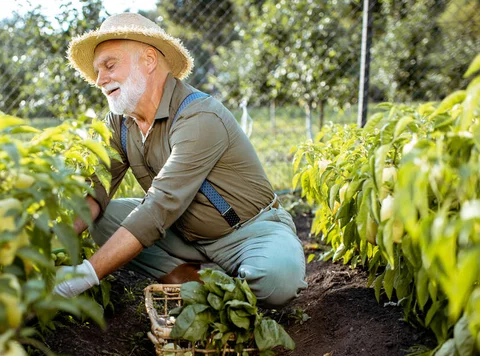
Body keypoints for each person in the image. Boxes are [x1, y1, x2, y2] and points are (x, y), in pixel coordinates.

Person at [54, 12, 307, 308]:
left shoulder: (198, 116)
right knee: (103, 220)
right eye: (97, 71)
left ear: (149, 60)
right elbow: (95, 189)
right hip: (182, 234)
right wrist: (41, 249)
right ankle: (204, 279)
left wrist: (82, 277)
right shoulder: (119, 122)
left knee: (277, 280)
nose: (99, 80)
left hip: (246, 232)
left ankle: (213, 279)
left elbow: (160, 205)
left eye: (110, 66)